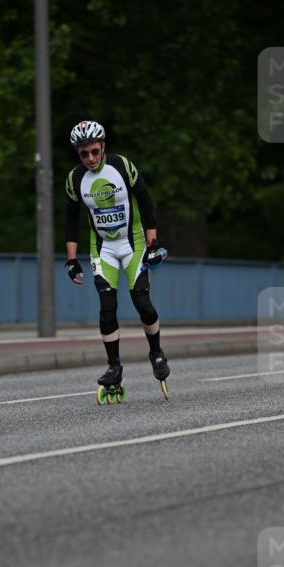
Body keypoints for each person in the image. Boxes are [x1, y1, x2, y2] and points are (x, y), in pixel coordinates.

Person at [64, 119, 170, 392]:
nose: (90, 158)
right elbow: (71, 220)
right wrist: (72, 260)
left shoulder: (121, 166)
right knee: (107, 306)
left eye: (94, 152)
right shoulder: (75, 179)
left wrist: (153, 242)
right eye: (83, 154)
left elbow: (146, 200)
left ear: (103, 147)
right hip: (103, 248)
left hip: (132, 243)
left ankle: (156, 353)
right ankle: (114, 366)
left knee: (142, 302)